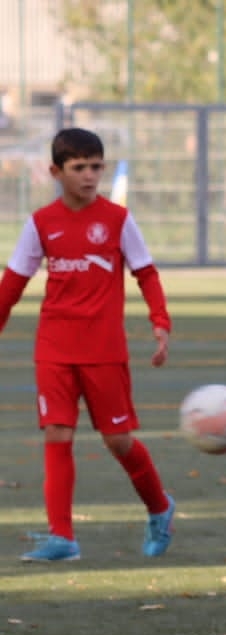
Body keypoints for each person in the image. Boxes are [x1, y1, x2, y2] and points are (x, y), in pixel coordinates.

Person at [0, 127, 176, 563]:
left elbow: (146, 273)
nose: (89, 175)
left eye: (96, 167)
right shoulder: (41, 223)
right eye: (79, 167)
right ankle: (62, 537)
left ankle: (160, 508)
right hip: (54, 347)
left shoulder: (118, 220)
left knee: (118, 440)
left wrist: (160, 322)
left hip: (103, 350)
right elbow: (13, 283)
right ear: (55, 172)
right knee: (57, 434)